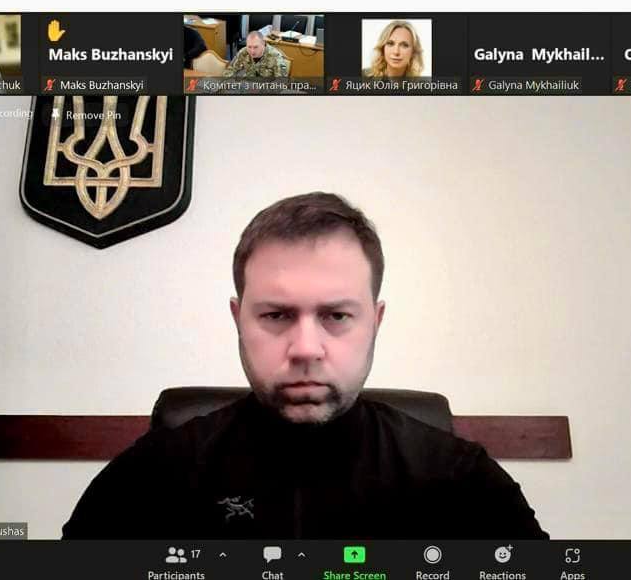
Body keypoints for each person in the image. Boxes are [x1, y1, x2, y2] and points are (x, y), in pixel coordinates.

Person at [62, 192, 549, 539]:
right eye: (276, 315)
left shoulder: (461, 481)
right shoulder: (152, 477)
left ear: (375, 321)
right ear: (238, 319)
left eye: (336, 316)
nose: (306, 349)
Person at [223, 31, 290, 77]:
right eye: (249, 47)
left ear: (263, 43)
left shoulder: (275, 57)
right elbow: (230, 70)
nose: (252, 51)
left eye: (256, 47)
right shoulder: (244, 52)